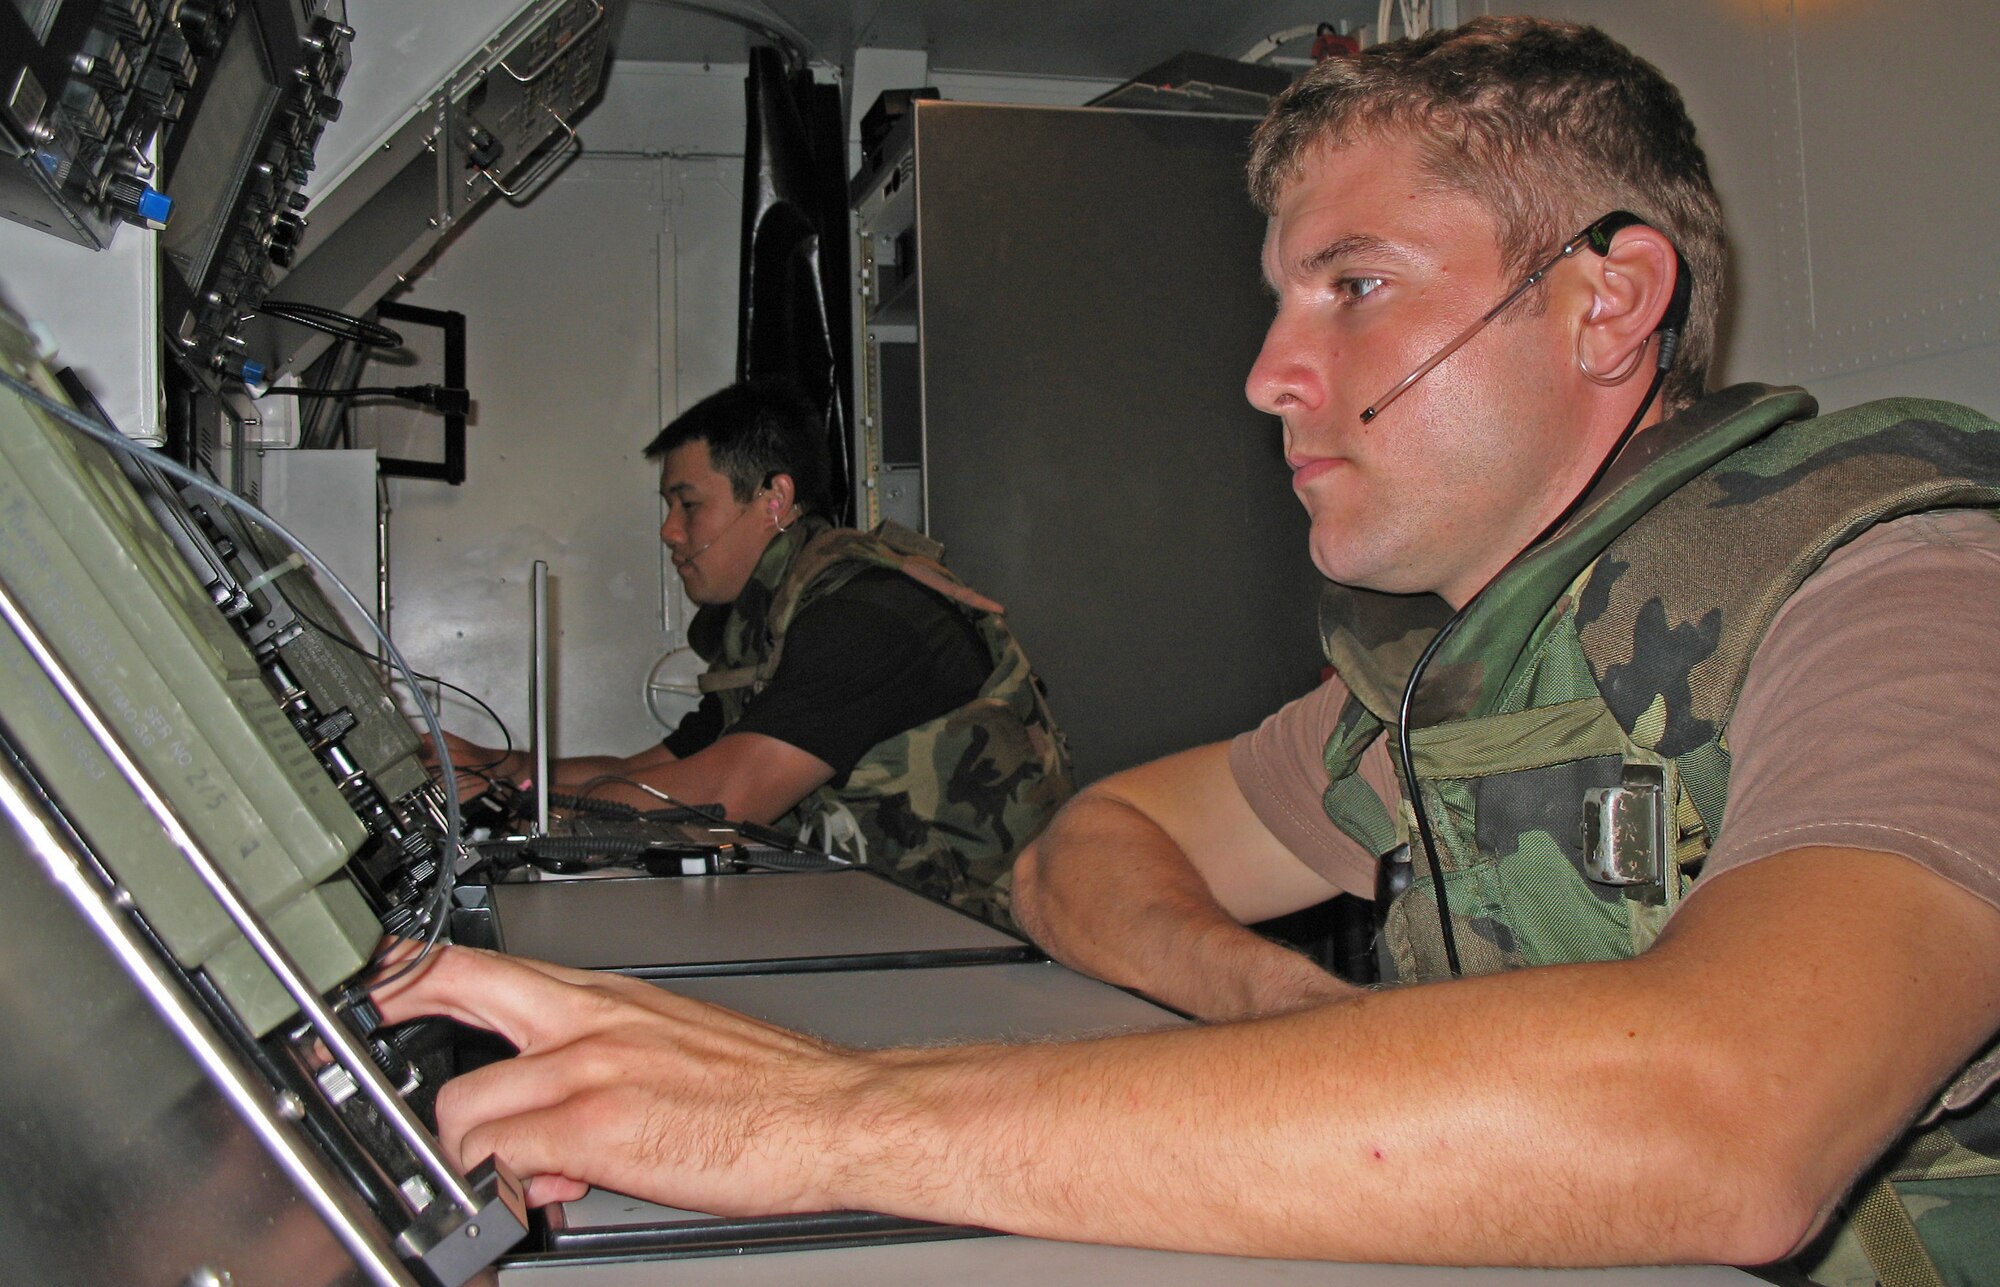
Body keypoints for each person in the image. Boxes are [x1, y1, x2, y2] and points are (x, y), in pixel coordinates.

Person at [380, 19, 2000, 1281]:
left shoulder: (1907, 584)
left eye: (1352, 285)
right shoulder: (1445, 661)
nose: (1270, 374)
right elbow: (1088, 852)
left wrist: (833, 1115)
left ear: (1607, 302)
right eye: (1284, 298)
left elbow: (1729, 1118)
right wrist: (1291, 1018)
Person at [439, 380, 1073, 922]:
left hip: (980, 938)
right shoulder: (775, 626)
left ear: (774, 500)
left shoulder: (866, 617)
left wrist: (524, 809)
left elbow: (727, 795)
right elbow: (653, 769)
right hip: (888, 919)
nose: (669, 530)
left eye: (688, 504)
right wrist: (499, 769)